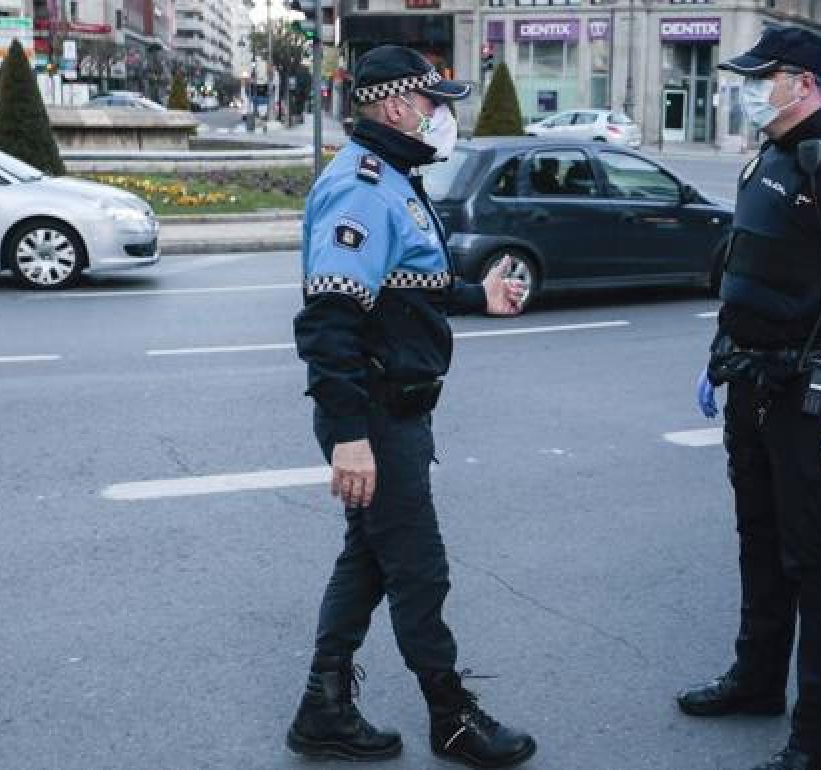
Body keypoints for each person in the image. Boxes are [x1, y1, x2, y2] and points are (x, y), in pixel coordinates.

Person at [287, 44, 537, 768]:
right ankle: (451, 717)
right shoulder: (363, 187)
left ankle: (322, 708)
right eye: (434, 103)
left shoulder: (394, 174)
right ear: (397, 106)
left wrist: (477, 295)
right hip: (377, 416)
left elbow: (401, 286)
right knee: (419, 570)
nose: (442, 116)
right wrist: (348, 437)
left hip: (396, 409)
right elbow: (328, 323)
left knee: (367, 560)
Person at [678, 25, 821, 770]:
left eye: (761, 77)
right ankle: (756, 681)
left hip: (815, 399)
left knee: (816, 565)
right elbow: (746, 268)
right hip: (751, 384)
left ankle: (820, 741)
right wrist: (719, 359)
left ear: (804, 83)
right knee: (758, 545)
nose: (748, 89)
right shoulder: (767, 158)